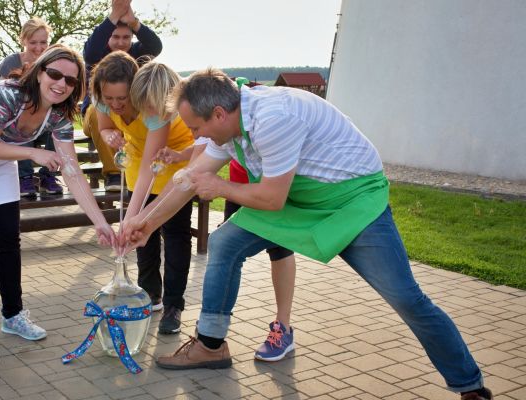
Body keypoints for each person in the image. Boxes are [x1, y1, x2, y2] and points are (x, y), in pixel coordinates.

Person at [120, 68, 492, 400]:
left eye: (197, 128)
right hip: (299, 195)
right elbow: (188, 182)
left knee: (406, 298)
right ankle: (211, 345)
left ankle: (469, 385)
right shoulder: (228, 122)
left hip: (352, 202)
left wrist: (219, 187)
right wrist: (146, 225)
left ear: (218, 113)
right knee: (225, 242)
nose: (196, 137)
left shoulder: (274, 117)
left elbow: (269, 197)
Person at [0, 44, 117, 350]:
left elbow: (71, 170)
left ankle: (13, 315)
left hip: (2, 153)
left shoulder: (59, 115)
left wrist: (99, 221)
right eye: (55, 74)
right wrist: (34, 152)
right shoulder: (8, 94)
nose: (61, 84)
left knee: (9, 238)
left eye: (71, 81)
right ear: (40, 71)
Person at [157, 139, 298, 362]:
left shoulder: (256, 116)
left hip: (269, 190)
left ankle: (283, 328)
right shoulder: (217, 119)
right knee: (225, 249)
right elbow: (204, 149)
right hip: (238, 188)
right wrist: (180, 155)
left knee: (280, 250)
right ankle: (213, 328)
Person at [91, 54, 193, 334]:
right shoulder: (102, 99)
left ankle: (174, 304)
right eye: (108, 98)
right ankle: (150, 295)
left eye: (121, 98)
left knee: (174, 235)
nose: (115, 104)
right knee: (143, 239)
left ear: (135, 90)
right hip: (140, 164)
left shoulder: (153, 108)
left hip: (176, 162)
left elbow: (154, 166)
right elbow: (104, 126)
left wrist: (132, 218)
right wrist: (109, 132)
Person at [82, 0, 163, 192]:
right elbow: (90, 52)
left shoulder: (137, 53)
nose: (120, 42)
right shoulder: (98, 53)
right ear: (107, 37)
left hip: (129, 117)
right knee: (95, 110)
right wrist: (113, 16)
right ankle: (113, 175)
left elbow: (156, 46)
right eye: (115, 36)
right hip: (97, 118)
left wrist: (134, 22)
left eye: (126, 37)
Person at [0, 17, 62, 197]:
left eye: (43, 42)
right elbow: (2, 98)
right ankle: (25, 177)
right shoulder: (11, 63)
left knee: (59, 123)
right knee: (21, 121)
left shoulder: (52, 62)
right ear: (23, 40)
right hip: (17, 120)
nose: (39, 48)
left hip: (43, 120)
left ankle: (48, 175)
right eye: (33, 42)